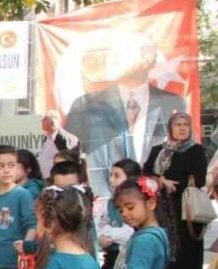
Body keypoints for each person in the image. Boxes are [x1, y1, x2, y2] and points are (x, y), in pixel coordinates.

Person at [67, 32, 188, 200]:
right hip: (104, 206)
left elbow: (186, 154)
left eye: (124, 50)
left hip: (159, 205)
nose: (113, 57)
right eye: (112, 52)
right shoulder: (84, 106)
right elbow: (71, 159)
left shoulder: (173, 103)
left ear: (147, 59)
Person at [142, 112, 207, 269]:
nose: (181, 128)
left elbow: (199, 179)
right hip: (157, 206)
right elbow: (145, 174)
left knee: (182, 252)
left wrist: (174, 185)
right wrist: (161, 181)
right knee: (157, 249)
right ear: (170, 128)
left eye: (185, 124)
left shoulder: (196, 150)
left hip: (183, 209)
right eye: (177, 124)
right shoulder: (157, 150)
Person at [97, 159, 140, 269]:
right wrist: (100, 238)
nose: (112, 180)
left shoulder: (138, 203)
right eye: (111, 175)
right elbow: (99, 228)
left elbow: (129, 233)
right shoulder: (109, 203)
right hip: (111, 257)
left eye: (117, 176)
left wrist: (109, 232)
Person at [37, 111, 79, 178]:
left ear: (53, 121)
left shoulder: (64, 138)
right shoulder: (46, 138)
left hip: (59, 178)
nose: (41, 121)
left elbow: (71, 160)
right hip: (46, 178)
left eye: (45, 119)